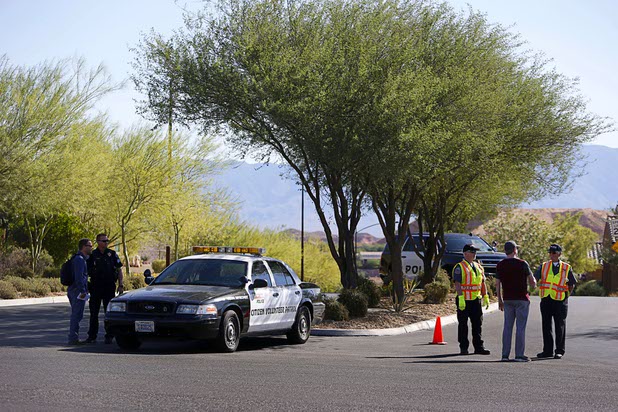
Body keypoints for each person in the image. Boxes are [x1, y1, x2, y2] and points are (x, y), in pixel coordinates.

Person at [495, 241, 537, 362]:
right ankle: (519, 355)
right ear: (514, 250)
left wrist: (499, 300)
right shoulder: (522, 263)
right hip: (522, 299)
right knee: (520, 327)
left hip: (508, 299)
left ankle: (505, 355)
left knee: (507, 327)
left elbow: (497, 284)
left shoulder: (500, 265)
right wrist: (533, 284)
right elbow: (532, 281)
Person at [534, 243, 577, 359]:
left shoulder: (566, 267)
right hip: (546, 299)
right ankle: (547, 351)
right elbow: (535, 278)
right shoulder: (544, 266)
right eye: (550, 253)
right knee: (546, 326)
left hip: (560, 301)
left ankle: (559, 351)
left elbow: (571, 283)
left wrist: (566, 295)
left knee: (560, 326)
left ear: (559, 254)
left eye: (554, 253)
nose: (551, 255)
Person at [453, 244, 491, 355]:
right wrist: (460, 297)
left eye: (475, 251)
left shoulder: (478, 266)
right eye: (471, 251)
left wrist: (485, 296)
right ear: (465, 253)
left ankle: (479, 347)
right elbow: (457, 283)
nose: (474, 254)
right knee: (463, 325)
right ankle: (463, 347)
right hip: (464, 300)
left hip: (476, 300)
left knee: (477, 324)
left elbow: (482, 282)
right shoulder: (459, 267)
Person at [86, 233, 123, 344]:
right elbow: (86, 272)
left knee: (109, 313)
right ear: (98, 242)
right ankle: (92, 336)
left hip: (109, 287)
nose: (106, 243)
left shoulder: (111, 254)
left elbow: (119, 269)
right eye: (104, 241)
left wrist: (121, 285)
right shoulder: (92, 255)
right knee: (94, 313)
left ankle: (109, 335)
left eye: (107, 241)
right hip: (96, 287)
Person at [67, 238, 93, 345]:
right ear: (83, 247)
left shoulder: (80, 259)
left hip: (75, 290)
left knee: (77, 314)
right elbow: (79, 277)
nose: (91, 248)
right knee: (76, 315)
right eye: (89, 246)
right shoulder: (79, 260)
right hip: (77, 290)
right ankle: (73, 338)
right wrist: (83, 291)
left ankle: (74, 337)